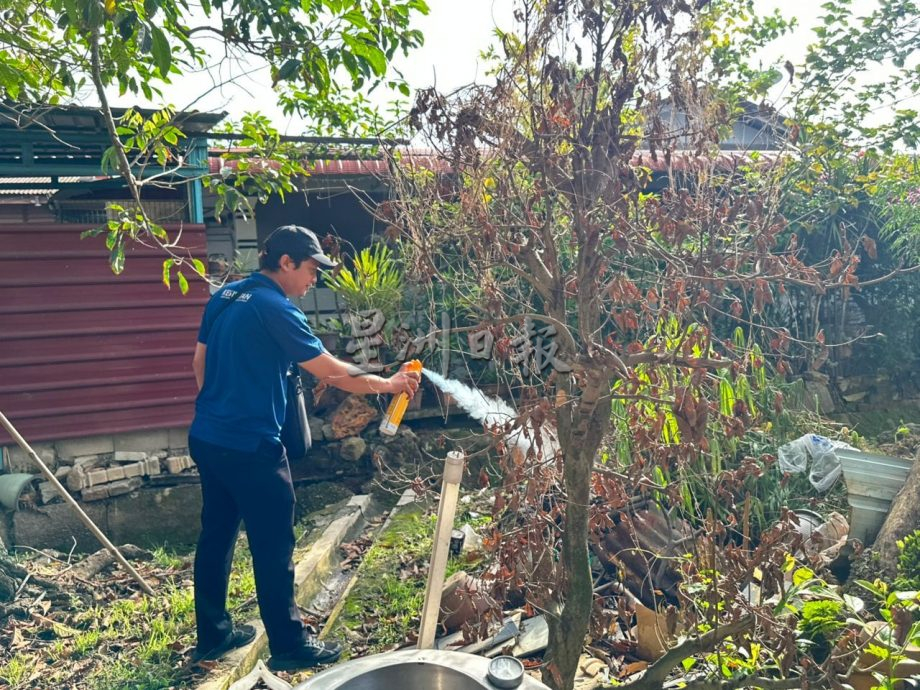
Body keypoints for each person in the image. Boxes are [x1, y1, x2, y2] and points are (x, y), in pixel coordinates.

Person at [188, 224, 420, 671]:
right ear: (287, 263)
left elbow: (198, 363)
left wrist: (220, 409)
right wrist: (389, 384)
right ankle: (290, 645)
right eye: (312, 269)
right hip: (252, 445)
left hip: (208, 435)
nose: (315, 279)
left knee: (215, 536)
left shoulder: (226, 296)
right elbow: (330, 372)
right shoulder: (276, 308)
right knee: (273, 543)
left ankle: (213, 636)